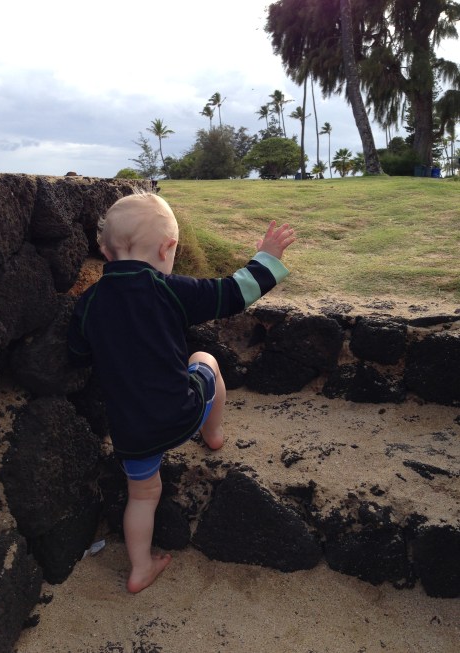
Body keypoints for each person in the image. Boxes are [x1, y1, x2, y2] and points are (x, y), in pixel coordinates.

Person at [68, 190, 295, 593]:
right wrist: (268, 257)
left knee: (143, 496)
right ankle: (212, 432)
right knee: (206, 359)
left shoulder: (90, 303)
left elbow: (77, 351)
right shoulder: (169, 289)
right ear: (167, 247)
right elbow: (234, 292)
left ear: (105, 251)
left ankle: (139, 568)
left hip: (130, 430)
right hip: (179, 411)